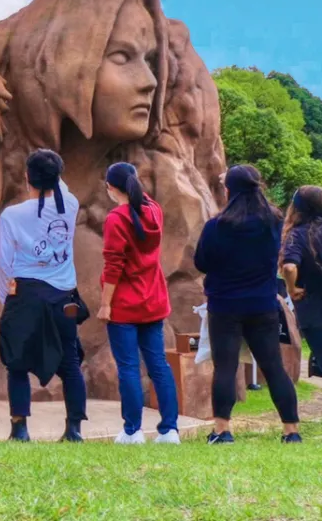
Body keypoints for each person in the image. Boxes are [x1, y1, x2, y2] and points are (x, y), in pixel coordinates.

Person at [194, 164, 300, 444]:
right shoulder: (273, 222)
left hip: (224, 305)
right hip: (262, 303)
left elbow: (201, 262)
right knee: (274, 367)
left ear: (229, 191)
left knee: (225, 367)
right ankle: (291, 431)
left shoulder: (217, 226)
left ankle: (222, 430)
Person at [0, 149, 86, 442]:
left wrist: (6, 298)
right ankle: (74, 429)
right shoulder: (69, 205)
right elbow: (60, 186)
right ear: (58, 177)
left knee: (17, 362)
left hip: (26, 295)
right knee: (70, 362)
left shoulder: (12, 215)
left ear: (27, 177)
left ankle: (19, 429)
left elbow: (1, 262)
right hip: (64, 297)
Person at [97, 162, 180, 445]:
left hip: (124, 304)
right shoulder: (154, 210)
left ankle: (132, 431)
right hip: (153, 300)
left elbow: (114, 265)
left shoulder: (116, 219)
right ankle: (170, 430)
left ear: (110, 187)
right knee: (159, 365)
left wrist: (105, 304)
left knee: (129, 367)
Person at [279, 185, 322, 442]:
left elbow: (289, 267)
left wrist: (292, 288)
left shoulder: (297, 235)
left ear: (297, 207)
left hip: (316, 311)